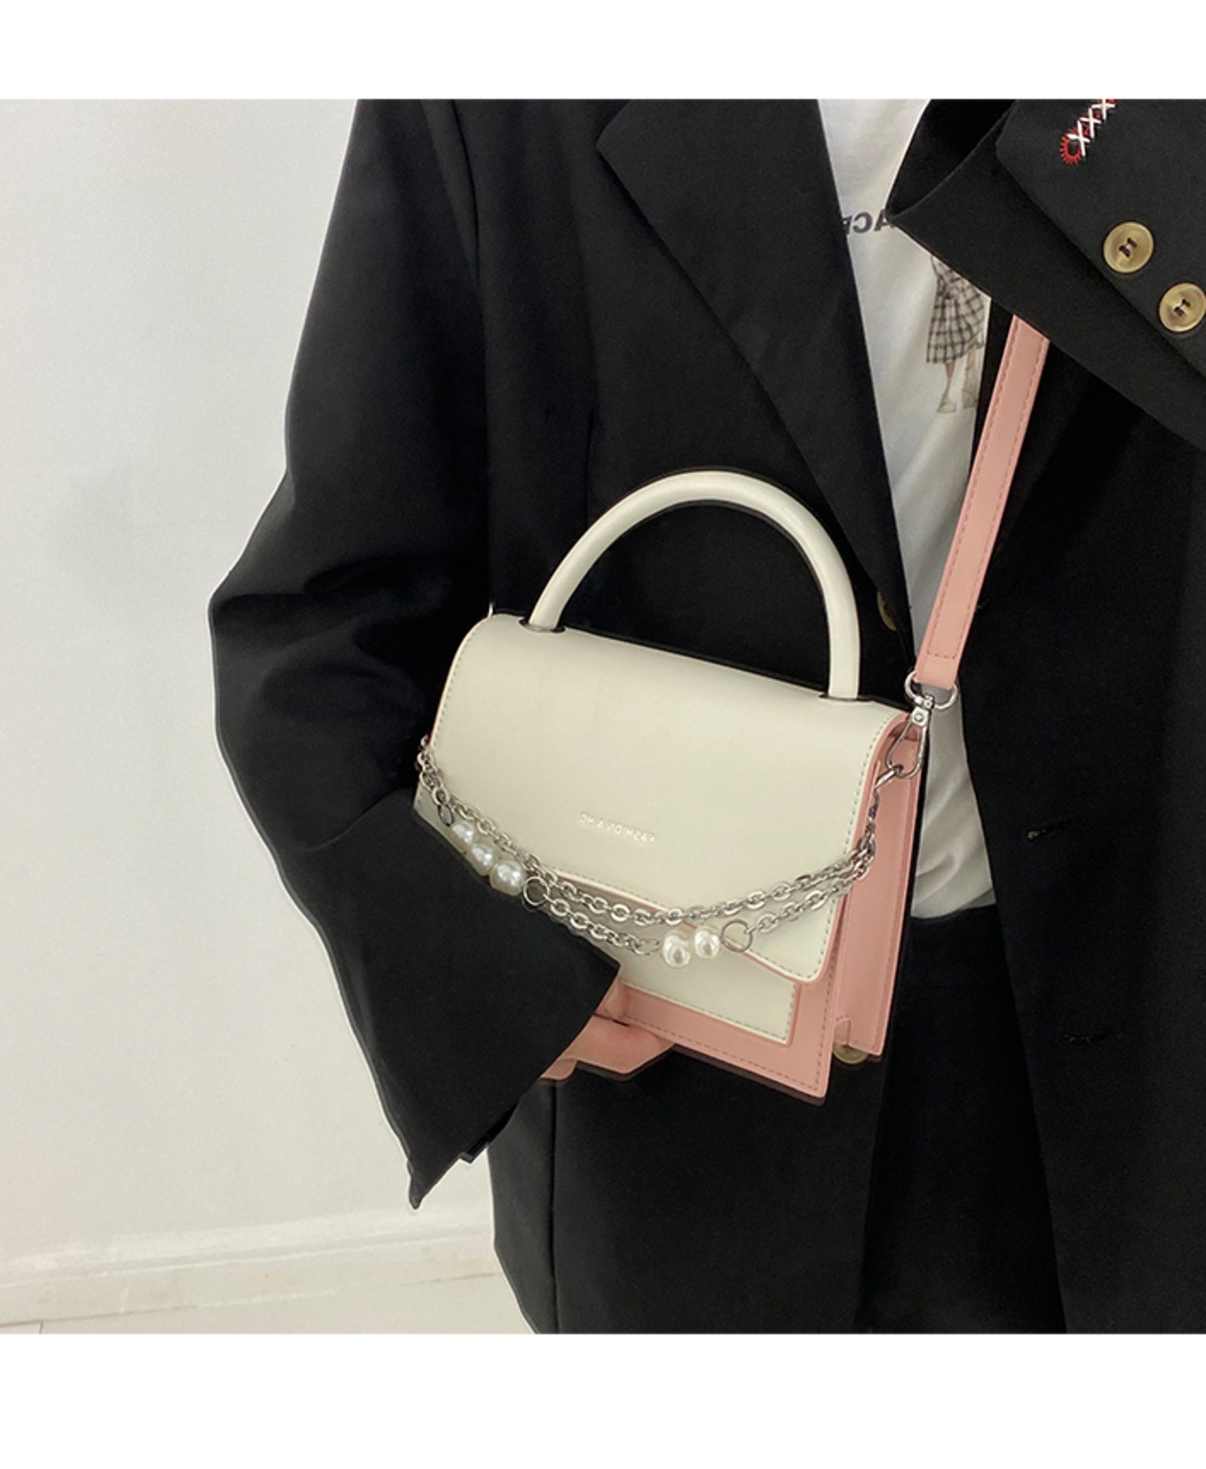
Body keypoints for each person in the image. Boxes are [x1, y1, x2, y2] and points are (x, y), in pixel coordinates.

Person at [208, 100, 1206, 1332]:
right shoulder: (504, 98)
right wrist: (493, 982)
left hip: (1129, 1049)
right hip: (683, 1051)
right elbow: (321, 621)